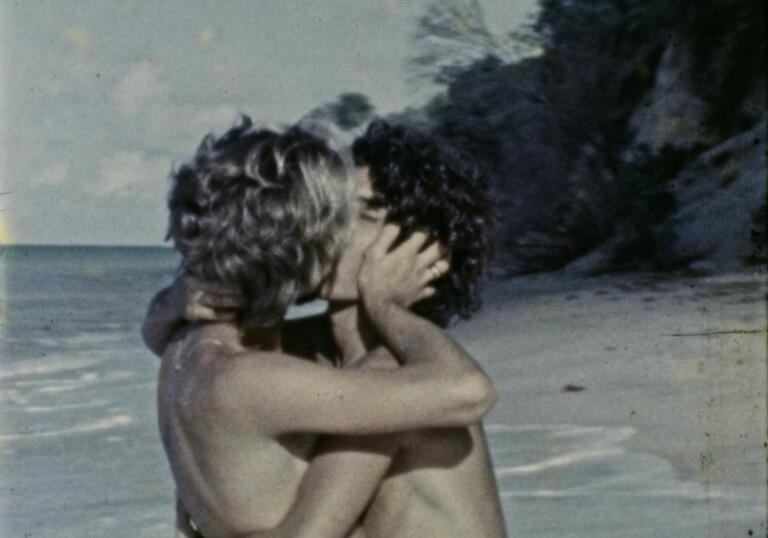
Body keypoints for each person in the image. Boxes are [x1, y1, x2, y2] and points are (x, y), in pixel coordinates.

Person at [143, 117, 501, 538]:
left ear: (416, 249)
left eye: (364, 214)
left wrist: (385, 304)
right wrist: (178, 297)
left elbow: (469, 391)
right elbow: (187, 354)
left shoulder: (410, 385)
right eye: (334, 207)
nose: (332, 226)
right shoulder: (313, 360)